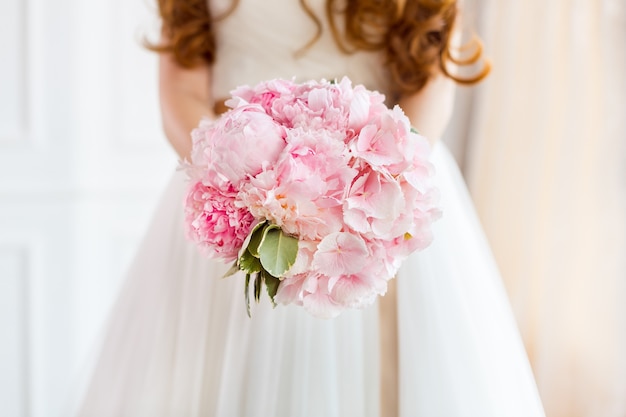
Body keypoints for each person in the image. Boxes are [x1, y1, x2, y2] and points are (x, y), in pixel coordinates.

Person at [74, 0, 546, 416]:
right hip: (238, 189)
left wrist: (367, 192)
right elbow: (182, 93)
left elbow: (431, 87)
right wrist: (246, 187)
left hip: (379, 188)